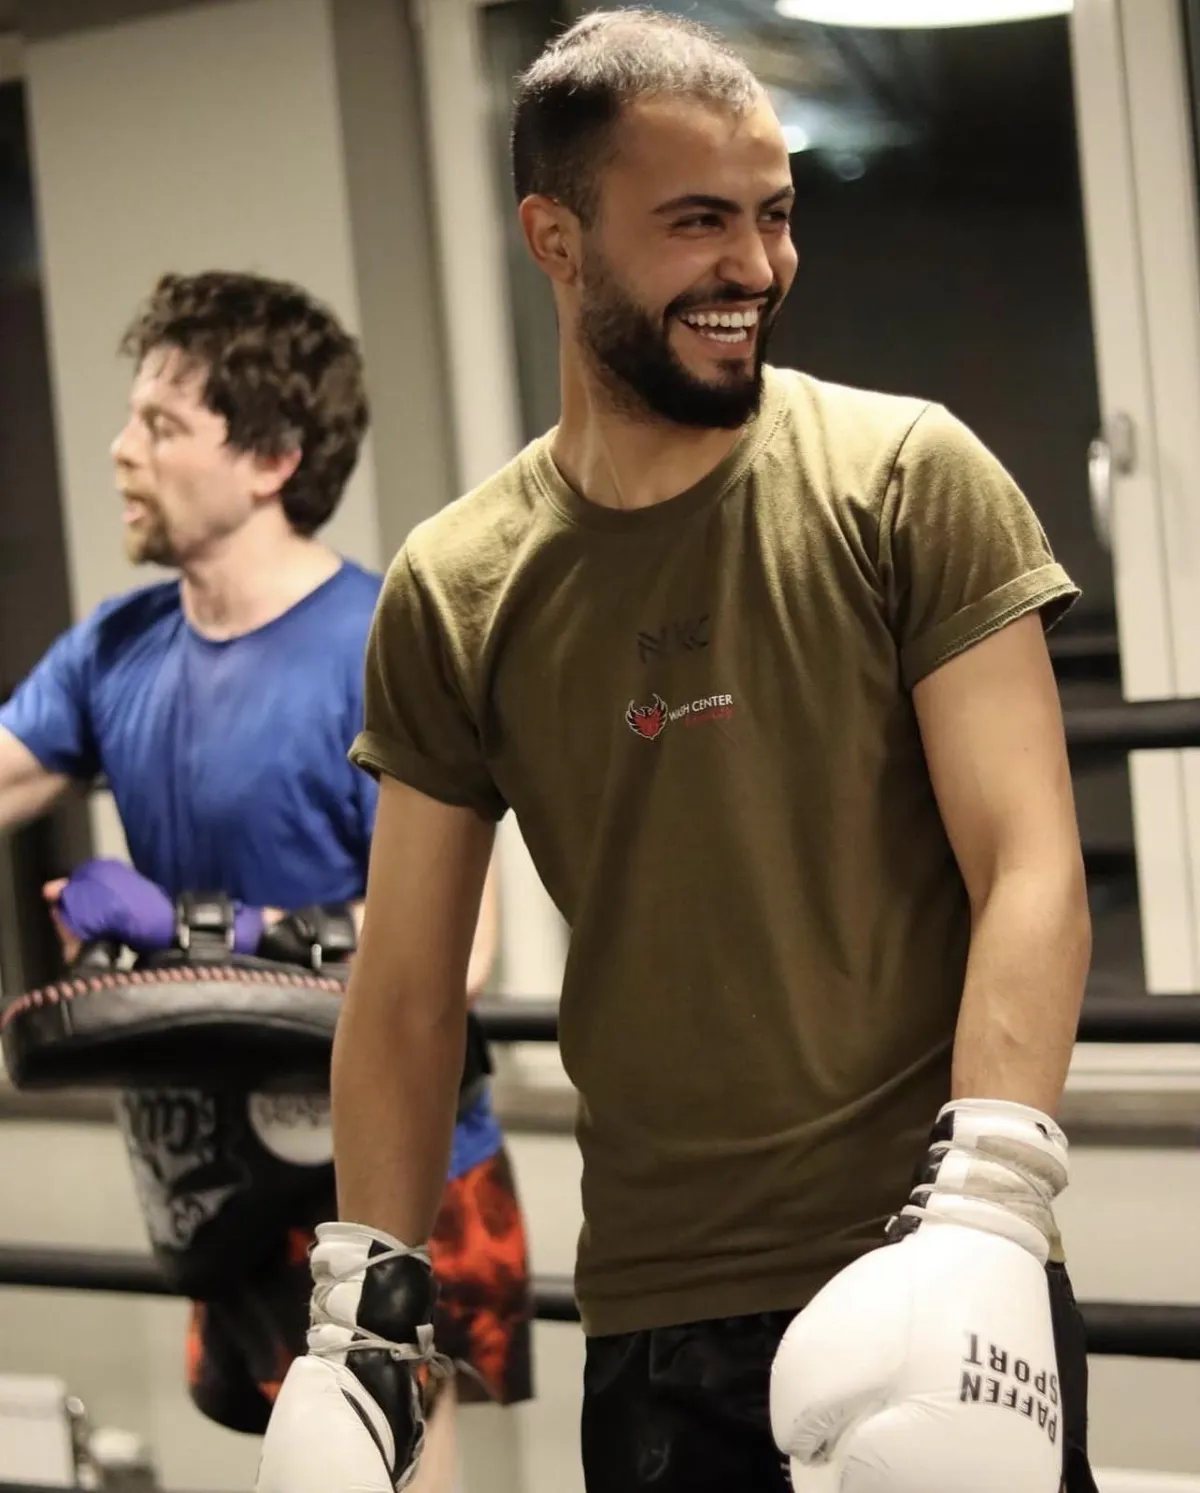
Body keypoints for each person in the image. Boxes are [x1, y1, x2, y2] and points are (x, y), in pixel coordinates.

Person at [254, 9, 1097, 1493]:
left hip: (931, 1265)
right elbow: (401, 991)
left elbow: (1029, 855)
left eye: (772, 217)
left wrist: (988, 1212)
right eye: (699, 221)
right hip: (658, 1312)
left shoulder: (907, 476)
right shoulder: (460, 584)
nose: (756, 268)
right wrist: (362, 1321)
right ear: (556, 236)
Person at [0, 270, 532, 1492]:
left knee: (387, 1475)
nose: (122, 452)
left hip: (388, 1154)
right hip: (217, 1163)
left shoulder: (383, 642)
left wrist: (198, 929)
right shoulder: (118, 646)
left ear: (272, 457)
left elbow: (459, 950)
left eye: (162, 425)